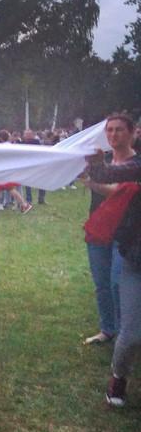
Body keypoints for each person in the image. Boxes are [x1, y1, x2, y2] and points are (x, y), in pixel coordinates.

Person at [86, 135, 141, 407]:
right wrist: (98, 166)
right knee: (130, 335)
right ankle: (119, 377)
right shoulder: (136, 165)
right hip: (136, 259)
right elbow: (112, 172)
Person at [80, 113, 140, 345]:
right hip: (99, 228)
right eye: (110, 130)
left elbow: (117, 189)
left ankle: (127, 333)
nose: (113, 134)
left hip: (126, 233)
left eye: (119, 130)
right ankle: (108, 329)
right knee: (102, 284)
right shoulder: (102, 160)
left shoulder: (135, 165)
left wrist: (90, 181)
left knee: (118, 283)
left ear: (133, 132)